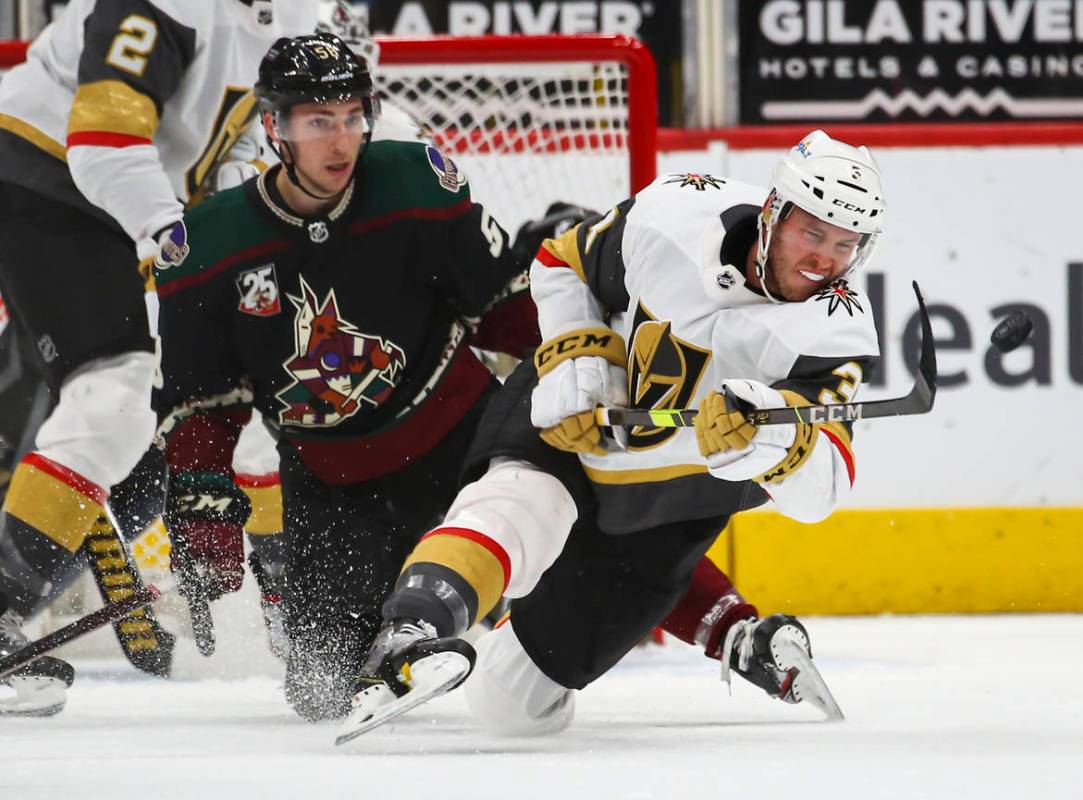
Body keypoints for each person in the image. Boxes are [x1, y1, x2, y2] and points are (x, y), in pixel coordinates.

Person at [352, 130, 885, 735]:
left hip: (673, 495)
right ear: (773, 213)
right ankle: (408, 634)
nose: (824, 261)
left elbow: (826, 488)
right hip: (582, 420)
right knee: (519, 505)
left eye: (846, 245)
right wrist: (581, 356)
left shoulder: (835, 333)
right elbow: (560, 261)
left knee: (510, 709)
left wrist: (767, 440)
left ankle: (734, 631)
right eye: (811, 233)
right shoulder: (675, 212)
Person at [152, 32, 589, 722]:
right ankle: (355, 609)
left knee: (556, 581)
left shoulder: (415, 183)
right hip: (333, 481)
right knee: (321, 693)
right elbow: (201, 400)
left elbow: (501, 309)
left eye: (353, 116)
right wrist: (203, 503)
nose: (341, 141)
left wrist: (575, 367)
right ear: (274, 127)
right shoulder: (207, 245)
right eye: (318, 121)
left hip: (460, 446)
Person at [0, 0, 321, 715]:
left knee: (276, 390)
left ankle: (300, 621)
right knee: (112, 399)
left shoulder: (308, 10)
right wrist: (176, 242)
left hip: (145, 195)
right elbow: (103, 137)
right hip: (46, 173)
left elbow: (264, 147)